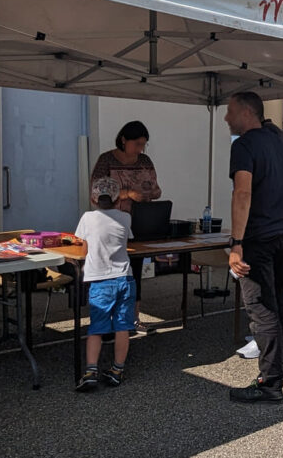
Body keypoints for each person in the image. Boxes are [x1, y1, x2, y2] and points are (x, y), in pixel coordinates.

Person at [225, 92, 283, 403]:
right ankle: (282, 368)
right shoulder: (281, 145)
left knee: (261, 309)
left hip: (258, 239)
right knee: (276, 304)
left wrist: (236, 243)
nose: (226, 118)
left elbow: (242, 194)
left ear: (247, 113)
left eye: (230, 111)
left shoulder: (244, 145)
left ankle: (270, 382)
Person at [90, 120, 161, 333]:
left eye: (143, 144)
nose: (140, 149)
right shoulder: (106, 160)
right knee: (113, 275)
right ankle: (112, 321)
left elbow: (156, 189)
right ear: (123, 140)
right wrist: (127, 194)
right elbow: (96, 194)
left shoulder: (145, 160)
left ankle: (133, 318)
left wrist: (147, 194)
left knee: (134, 273)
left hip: (140, 224)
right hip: (112, 226)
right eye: (137, 144)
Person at [75, 177, 136, 392]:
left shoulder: (87, 218)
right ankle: (117, 370)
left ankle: (91, 371)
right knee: (122, 326)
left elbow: (82, 250)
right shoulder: (125, 218)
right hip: (125, 278)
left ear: (93, 198)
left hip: (100, 280)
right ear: (117, 198)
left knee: (97, 328)